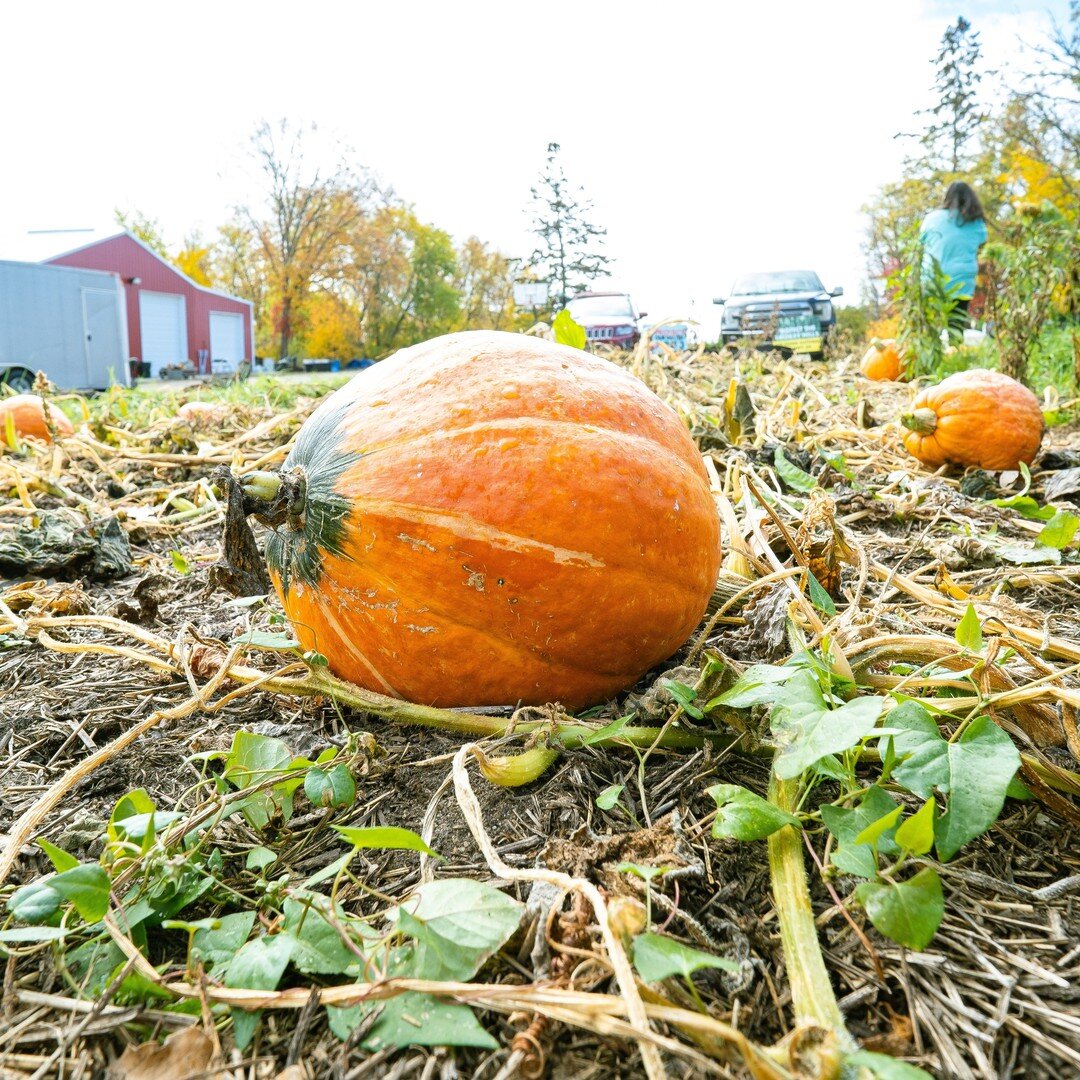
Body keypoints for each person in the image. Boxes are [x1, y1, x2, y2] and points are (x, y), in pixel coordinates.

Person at [920, 181, 989, 325]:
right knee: (956, 326)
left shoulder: (932, 218)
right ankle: (955, 346)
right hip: (962, 280)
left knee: (931, 327)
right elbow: (983, 243)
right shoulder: (977, 224)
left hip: (933, 278)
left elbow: (921, 242)